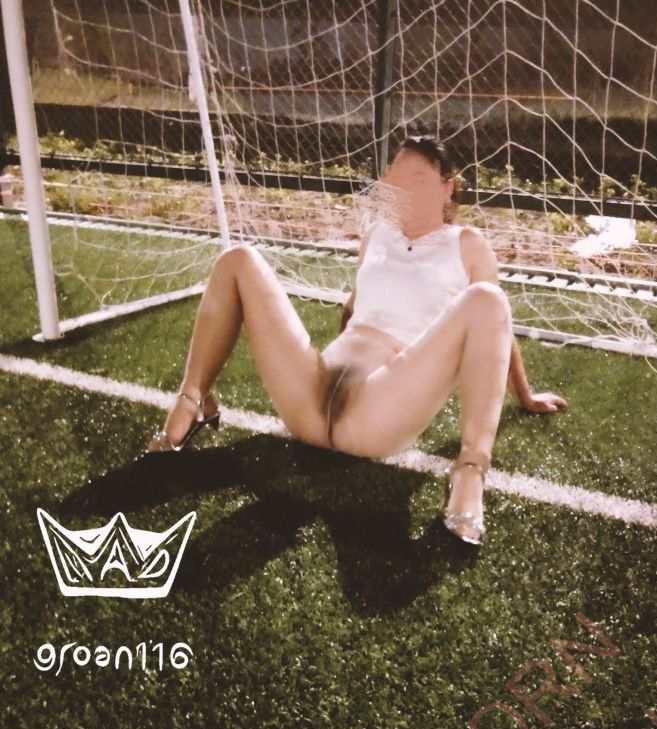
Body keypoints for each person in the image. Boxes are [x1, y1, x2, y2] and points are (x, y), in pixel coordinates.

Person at [145, 134, 568, 546]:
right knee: (238, 259)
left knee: (488, 298)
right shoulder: (377, 236)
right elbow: (353, 309)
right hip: (309, 405)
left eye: (417, 181)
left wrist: (524, 395)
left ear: (447, 187)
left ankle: (470, 470)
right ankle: (192, 400)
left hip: (375, 415)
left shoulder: (467, 245)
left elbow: (495, 325)